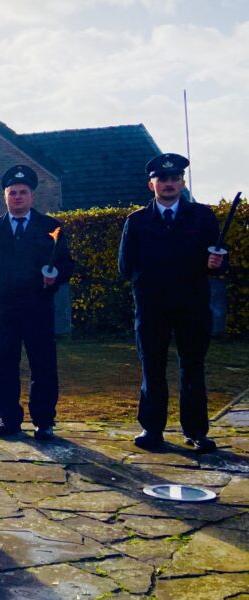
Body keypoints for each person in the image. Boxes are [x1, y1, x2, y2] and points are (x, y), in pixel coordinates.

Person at [118, 153, 227, 451]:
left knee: (192, 367)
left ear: (182, 182)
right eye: (162, 179)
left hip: (192, 306)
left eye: (174, 178)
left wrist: (218, 261)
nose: (168, 184)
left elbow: (220, 259)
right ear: (151, 184)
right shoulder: (137, 222)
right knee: (152, 368)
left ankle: (196, 432)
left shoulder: (202, 217)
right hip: (153, 308)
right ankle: (152, 430)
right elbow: (125, 267)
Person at [0, 165, 75, 441]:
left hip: (38, 307)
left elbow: (67, 264)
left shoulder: (50, 228)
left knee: (43, 366)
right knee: (5, 364)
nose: (17, 197)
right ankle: (9, 419)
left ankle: (44, 421)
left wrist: (56, 276)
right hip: (5, 308)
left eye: (23, 192)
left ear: (31, 196)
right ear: (5, 196)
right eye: (12, 193)